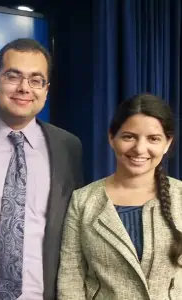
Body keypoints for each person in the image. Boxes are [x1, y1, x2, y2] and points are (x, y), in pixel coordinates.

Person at [0, 38, 84, 300]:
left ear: (46, 89)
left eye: (35, 80)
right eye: (13, 76)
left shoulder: (68, 146)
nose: (24, 88)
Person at [58, 93, 182, 299]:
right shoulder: (82, 201)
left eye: (153, 139)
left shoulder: (180, 196)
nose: (140, 148)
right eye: (129, 136)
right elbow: (70, 278)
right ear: (111, 138)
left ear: (167, 143)